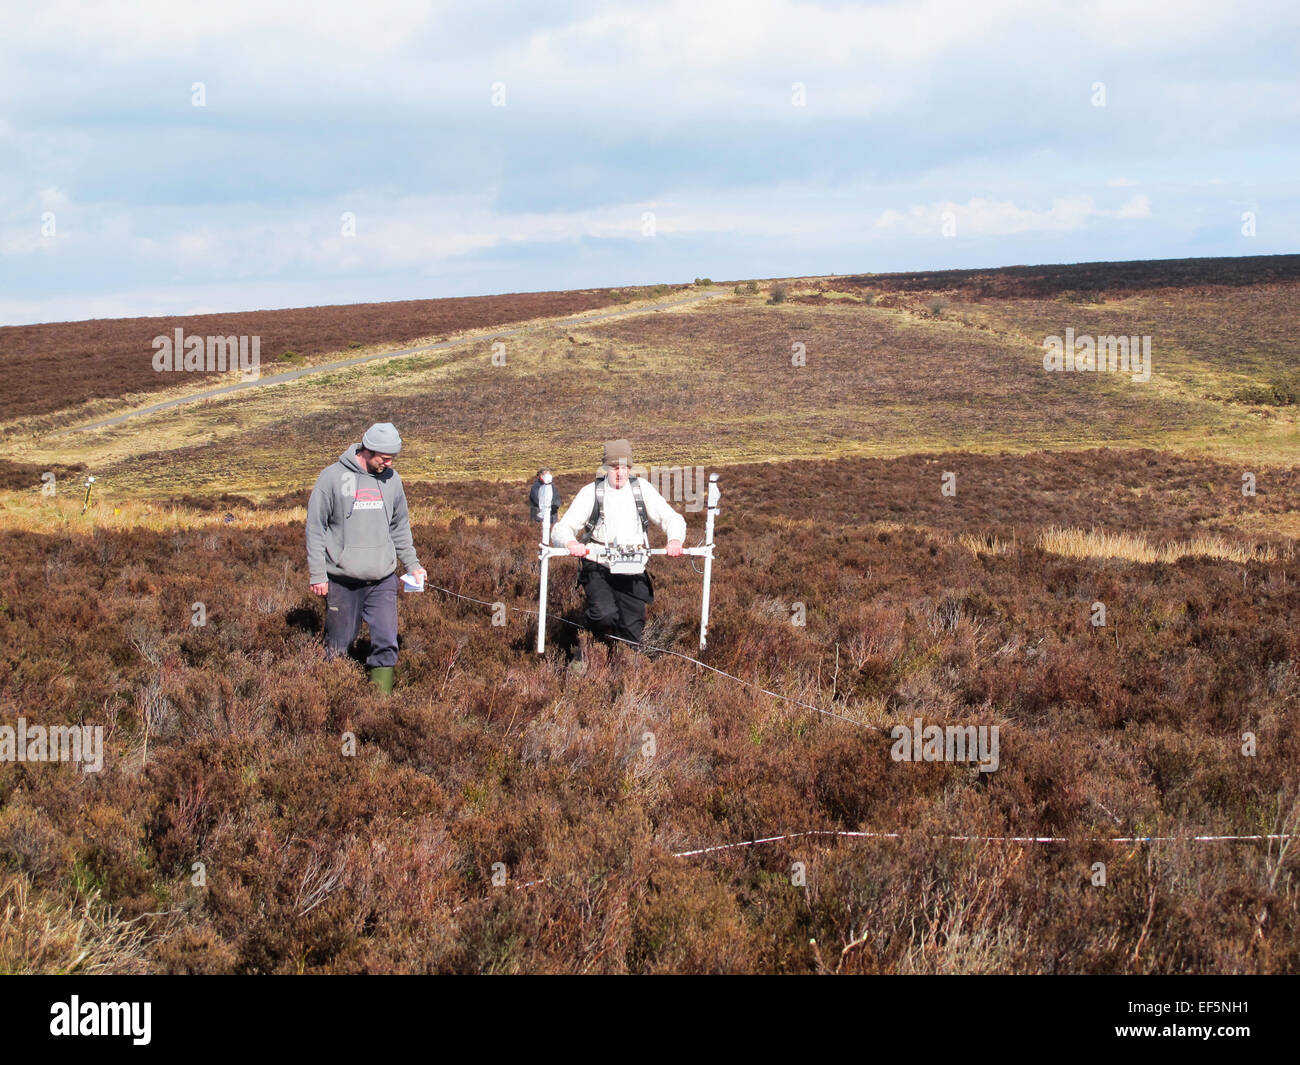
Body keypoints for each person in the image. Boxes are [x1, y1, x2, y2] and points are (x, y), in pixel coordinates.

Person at [306, 422, 426, 693]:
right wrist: (317, 574)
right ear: (368, 450)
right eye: (384, 458)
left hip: (383, 578)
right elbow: (315, 528)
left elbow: (400, 526)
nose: (389, 462)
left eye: (392, 457)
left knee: (386, 639)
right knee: (339, 643)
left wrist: (413, 564)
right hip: (342, 581)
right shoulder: (332, 478)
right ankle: (333, 701)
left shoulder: (392, 480)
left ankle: (379, 709)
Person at [551, 439, 686, 647]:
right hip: (598, 565)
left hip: (632, 569)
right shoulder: (591, 492)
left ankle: (623, 670)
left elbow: (672, 518)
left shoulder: (642, 490)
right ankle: (585, 647)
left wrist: (675, 539)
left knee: (632, 634)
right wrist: (570, 543)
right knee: (603, 614)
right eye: (615, 468)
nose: (620, 473)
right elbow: (561, 528)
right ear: (606, 468)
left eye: (624, 468)